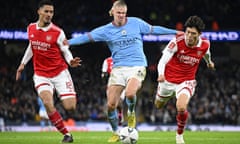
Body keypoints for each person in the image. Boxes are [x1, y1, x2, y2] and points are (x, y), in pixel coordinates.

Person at [68, 0, 177, 142]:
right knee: (110, 105)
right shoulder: (106, 30)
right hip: (118, 69)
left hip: (137, 66)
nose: (121, 16)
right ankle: (115, 132)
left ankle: (131, 113)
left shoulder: (135, 23)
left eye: (124, 13)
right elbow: (87, 37)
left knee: (130, 93)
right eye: (119, 13)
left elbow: (154, 29)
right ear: (112, 12)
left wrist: (175, 32)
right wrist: (67, 42)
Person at [15, 0, 81, 143]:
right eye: (46, 11)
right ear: (39, 11)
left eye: (51, 12)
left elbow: (65, 50)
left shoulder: (58, 32)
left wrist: (70, 61)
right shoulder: (31, 28)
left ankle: (60, 95)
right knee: (47, 103)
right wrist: (22, 64)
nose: (49, 14)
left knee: (70, 106)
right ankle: (67, 135)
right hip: (41, 75)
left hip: (60, 73)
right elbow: (31, 46)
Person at [154, 15, 215, 144]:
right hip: (167, 80)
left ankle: (179, 136)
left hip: (186, 81)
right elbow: (163, 60)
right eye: (187, 32)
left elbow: (207, 54)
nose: (189, 36)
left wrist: (209, 62)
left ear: (199, 34)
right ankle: (163, 95)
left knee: (181, 107)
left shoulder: (205, 44)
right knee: (158, 105)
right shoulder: (176, 41)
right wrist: (160, 74)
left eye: (193, 33)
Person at [101, 56, 125, 126]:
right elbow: (104, 73)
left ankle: (120, 114)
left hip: (122, 82)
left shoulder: (124, 59)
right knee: (111, 102)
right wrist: (104, 75)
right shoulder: (107, 61)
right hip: (111, 82)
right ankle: (115, 118)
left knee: (119, 100)